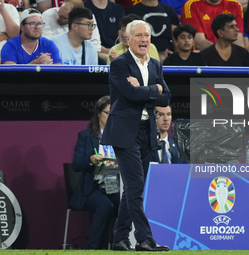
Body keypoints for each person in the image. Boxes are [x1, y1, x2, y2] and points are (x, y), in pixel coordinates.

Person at [100, 20, 171, 251]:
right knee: (136, 185)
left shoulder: (156, 65)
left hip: (146, 132)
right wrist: (153, 89)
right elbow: (130, 94)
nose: (144, 40)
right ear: (128, 39)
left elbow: (166, 98)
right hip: (124, 133)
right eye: (139, 35)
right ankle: (143, 239)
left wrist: (144, 88)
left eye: (147, 35)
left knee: (132, 189)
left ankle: (120, 238)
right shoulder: (120, 64)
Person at [71, 95, 120, 250]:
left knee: (129, 204)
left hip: (115, 185)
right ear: (99, 113)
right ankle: (93, 249)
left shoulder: (121, 137)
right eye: (107, 113)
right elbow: (76, 165)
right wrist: (91, 159)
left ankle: (122, 245)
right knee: (104, 205)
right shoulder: (85, 136)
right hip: (92, 188)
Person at [181, 0, 245, 50]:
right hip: (201, 56)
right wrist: (222, 53)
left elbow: (238, 41)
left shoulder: (235, 5)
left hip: (228, 56)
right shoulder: (191, 5)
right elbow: (199, 42)